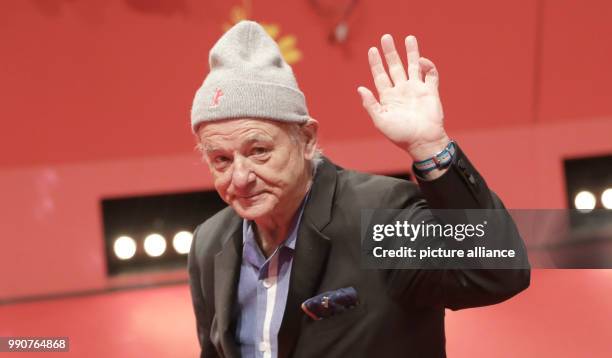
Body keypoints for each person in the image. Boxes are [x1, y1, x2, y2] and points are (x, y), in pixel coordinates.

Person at [187, 20, 530, 358]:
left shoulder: (379, 219)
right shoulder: (209, 242)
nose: (240, 177)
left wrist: (431, 146)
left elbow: (497, 273)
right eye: (221, 159)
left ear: (306, 139)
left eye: (258, 151)